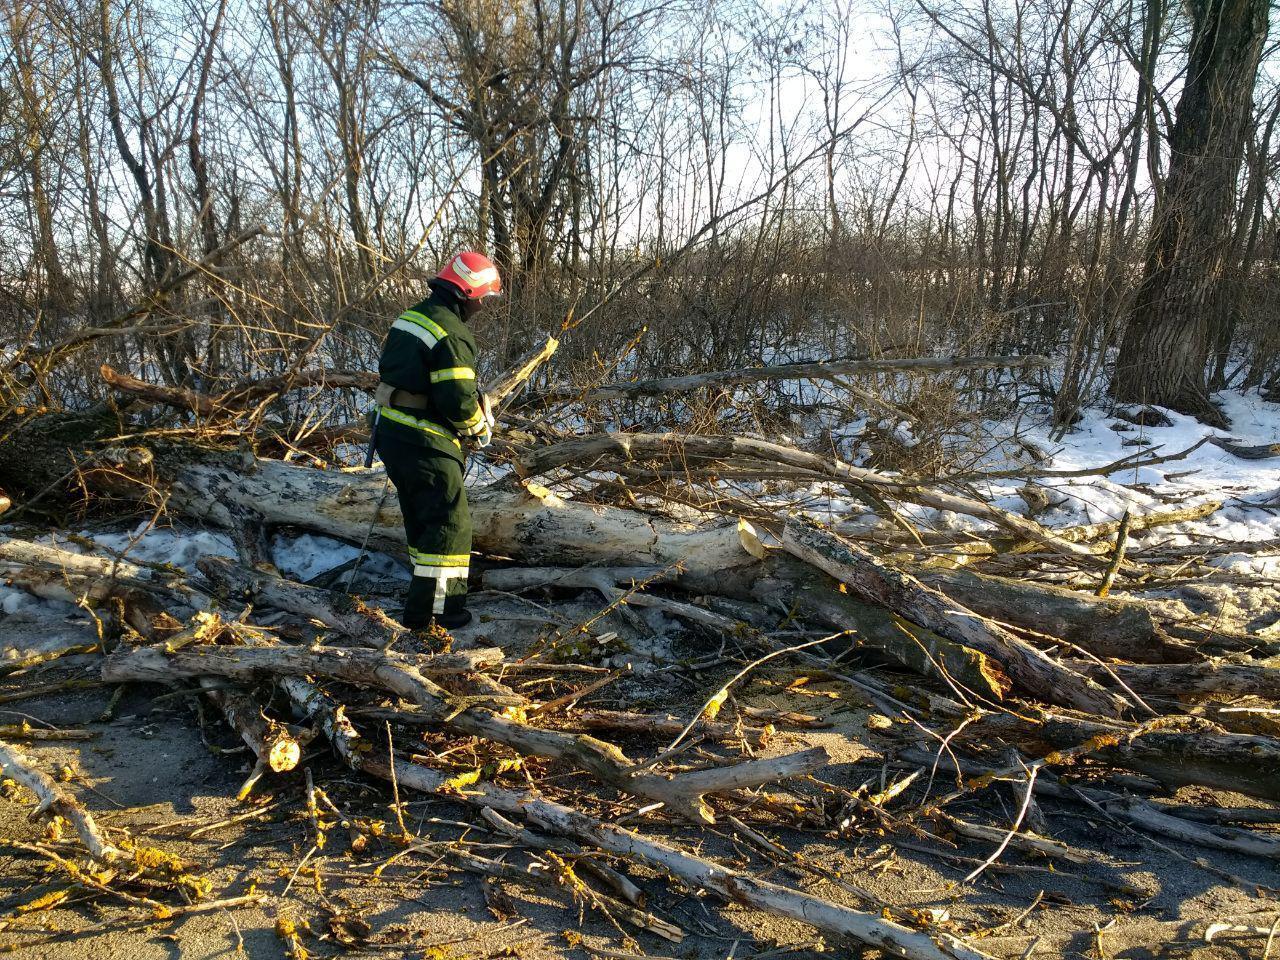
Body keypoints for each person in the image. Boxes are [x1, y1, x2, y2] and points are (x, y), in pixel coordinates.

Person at [372, 251, 500, 630]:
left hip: (391, 432)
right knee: (450, 524)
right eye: (483, 298)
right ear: (467, 293)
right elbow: (457, 400)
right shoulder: (451, 332)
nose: (483, 306)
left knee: (422, 517)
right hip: (423, 439)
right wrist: (479, 428)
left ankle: (425, 590)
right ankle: (436, 614)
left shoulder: (413, 315)